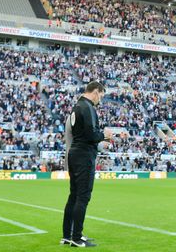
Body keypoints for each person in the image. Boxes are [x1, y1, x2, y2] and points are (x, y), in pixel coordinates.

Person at [61, 81, 113, 248]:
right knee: (82, 197)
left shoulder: (77, 106)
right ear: (96, 92)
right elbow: (91, 134)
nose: (100, 100)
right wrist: (104, 135)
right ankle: (76, 238)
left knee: (74, 196)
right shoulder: (88, 107)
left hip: (74, 154)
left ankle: (68, 235)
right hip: (84, 155)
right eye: (101, 96)